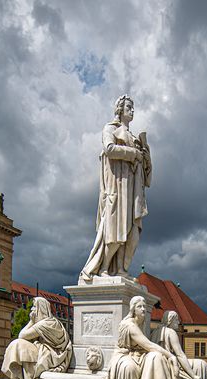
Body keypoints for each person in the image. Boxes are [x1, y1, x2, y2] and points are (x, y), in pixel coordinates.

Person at [79, 95, 152, 283]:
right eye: (129, 107)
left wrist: (145, 155)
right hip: (117, 187)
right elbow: (109, 148)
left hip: (132, 189)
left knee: (130, 231)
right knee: (115, 229)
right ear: (119, 109)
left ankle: (120, 269)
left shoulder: (134, 138)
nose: (132, 110)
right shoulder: (110, 128)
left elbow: (146, 173)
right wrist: (133, 153)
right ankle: (103, 268)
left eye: (133, 107)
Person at [92, 296, 185, 379]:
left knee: (156, 358)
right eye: (139, 307)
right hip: (123, 356)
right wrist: (171, 356)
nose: (143, 309)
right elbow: (149, 345)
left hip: (137, 355)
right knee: (132, 367)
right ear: (133, 309)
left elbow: (147, 346)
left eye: (144, 306)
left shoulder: (142, 323)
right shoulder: (129, 325)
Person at [1, 296, 73, 379]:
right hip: (49, 353)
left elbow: (22, 335)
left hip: (52, 356)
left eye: (34, 307)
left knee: (17, 344)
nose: (31, 310)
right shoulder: (51, 321)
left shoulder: (45, 324)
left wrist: (31, 321)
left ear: (41, 309)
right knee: (17, 346)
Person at [151, 310, 207, 379]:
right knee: (202, 365)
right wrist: (193, 375)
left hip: (160, 364)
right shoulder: (171, 332)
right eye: (176, 320)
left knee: (200, 365)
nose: (178, 322)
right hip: (171, 364)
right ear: (170, 321)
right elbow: (180, 355)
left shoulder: (155, 332)